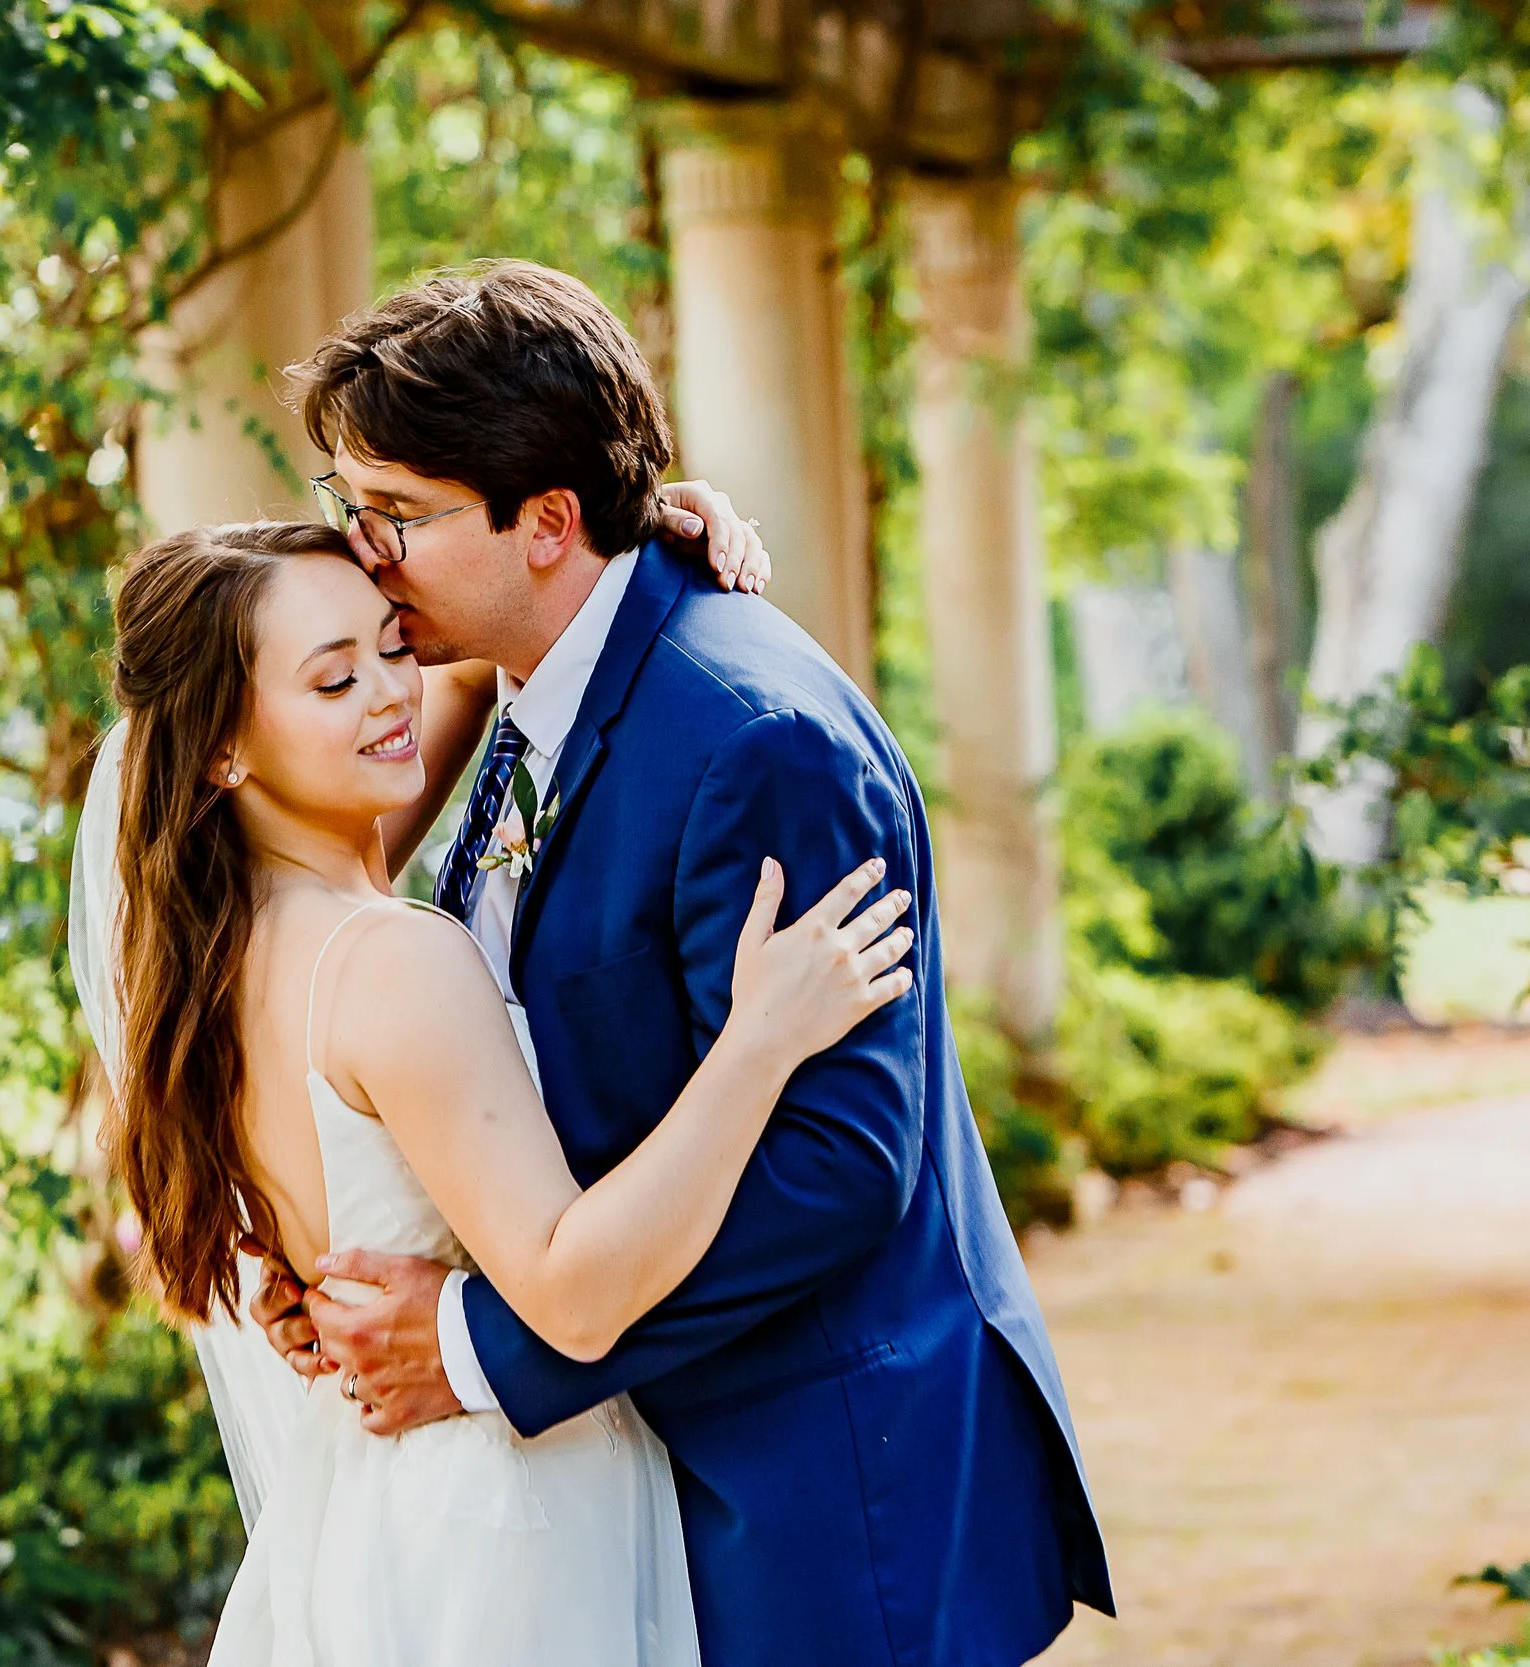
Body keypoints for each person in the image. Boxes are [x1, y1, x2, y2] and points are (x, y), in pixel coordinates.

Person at [242, 260, 1115, 1666]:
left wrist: (476, 1345)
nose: (365, 554)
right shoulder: (533, 682)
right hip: (642, 1478)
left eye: (394, 514)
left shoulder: (751, 737)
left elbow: (837, 1161)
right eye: (355, 509)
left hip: (813, 1495)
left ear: (545, 524)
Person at [100, 517, 917, 1665]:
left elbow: (493, 662)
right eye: (333, 678)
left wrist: (617, 531)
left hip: (372, 1507)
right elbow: (574, 1293)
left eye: (393, 647)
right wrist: (760, 1041)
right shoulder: (390, 960)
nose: (390, 694)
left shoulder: (217, 960)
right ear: (220, 750)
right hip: (510, 1514)